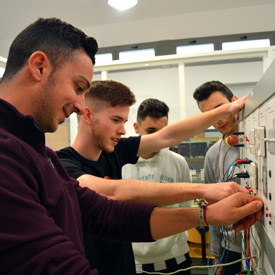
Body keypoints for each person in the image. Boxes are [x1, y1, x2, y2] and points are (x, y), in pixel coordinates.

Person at [0, 17, 263, 275]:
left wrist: (207, 215)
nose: (80, 106)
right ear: (39, 66)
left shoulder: (43, 156)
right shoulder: (13, 154)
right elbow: (110, 197)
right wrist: (204, 191)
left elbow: (107, 214)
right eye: (78, 86)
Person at [57, 80, 262, 275]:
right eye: (115, 120)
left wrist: (228, 109)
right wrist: (203, 190)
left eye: (124, 121)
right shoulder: (62, 165)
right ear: (88, 115)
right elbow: (113, 192)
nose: (122, 130)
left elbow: (168, 136)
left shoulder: (113, 152)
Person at [122, 98, 193, 275]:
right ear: (136, 128)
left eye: (163, 132)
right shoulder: (120, 163)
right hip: (134, 262)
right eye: (151, 131)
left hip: (176, 259)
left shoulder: (178, 163)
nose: (158, 139)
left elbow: (186, 207)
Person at [193, 81, 243, 275]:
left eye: (219, 108)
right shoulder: (213, 154)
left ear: (235, 102)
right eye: (209, 115)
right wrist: (216, 257)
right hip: (230, 251)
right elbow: (212, 210)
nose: (217, 119)